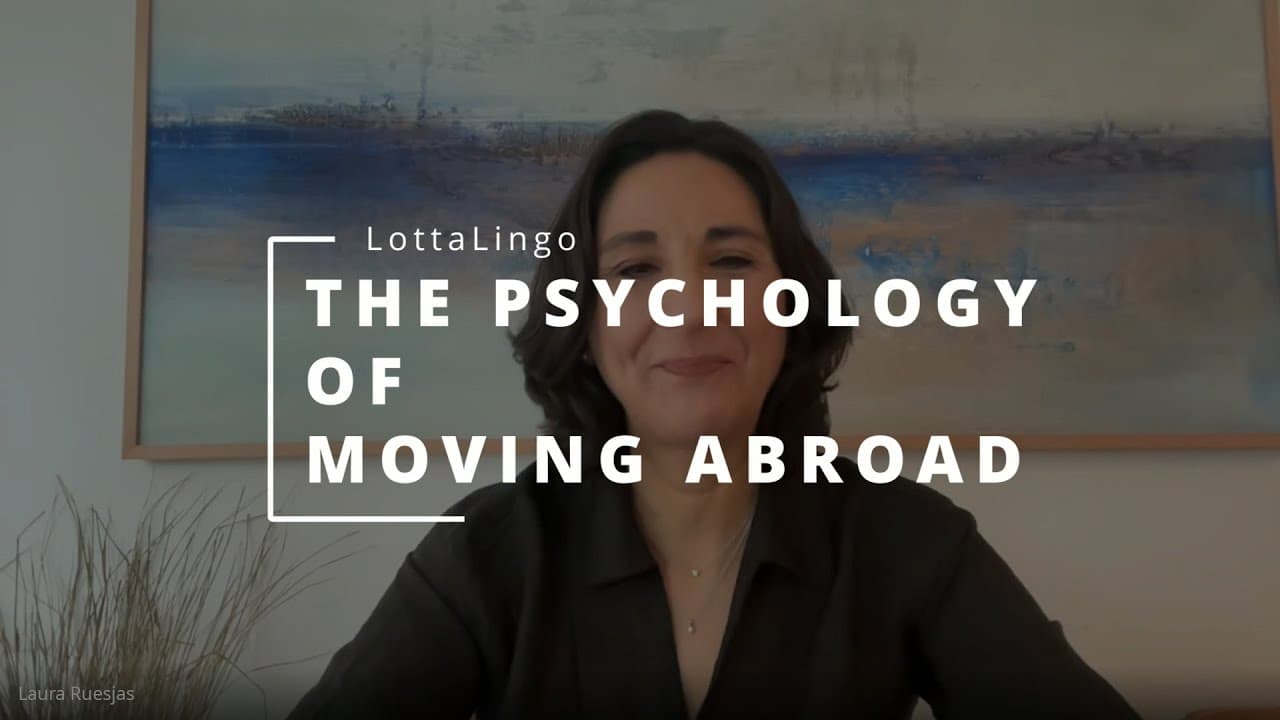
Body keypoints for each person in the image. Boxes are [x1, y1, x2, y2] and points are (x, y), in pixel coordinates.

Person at [287, 110, 1142, 719]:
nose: (690, 306)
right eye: (636, 271)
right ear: (583, 330)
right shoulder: (488, 553)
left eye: (730, 261)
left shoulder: (907, 541)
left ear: (790, 308)